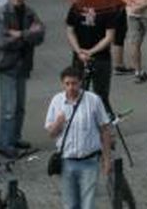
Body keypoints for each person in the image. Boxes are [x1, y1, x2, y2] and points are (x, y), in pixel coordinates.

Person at [45, 66, 114, 209]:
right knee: (70, 204)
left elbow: (105, 130)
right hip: (67, 161)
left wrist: (107, 159)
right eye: (67, 84)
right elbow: (51, 134)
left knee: (87, 204)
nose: (71, 87)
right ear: (62, 84)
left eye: (74, 83)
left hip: (89, 161)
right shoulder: (57, 101)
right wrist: (58, 123)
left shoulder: (93, 100)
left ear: (80, 83)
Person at [0, 0, 45, 158]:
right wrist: (28, 36)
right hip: (7, 65)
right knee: (9, 108)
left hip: (23, 65)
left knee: (20, 107)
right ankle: (4, 144)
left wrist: (20, 34)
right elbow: (1, 42)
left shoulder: (29, 12)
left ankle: (14, 138)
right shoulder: (1, 14)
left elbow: (40, 34)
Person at [65, 0, 120, 115]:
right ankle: (106, 121)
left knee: (77, 93)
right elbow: (109, 37)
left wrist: (79, 51)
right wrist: (91, 52)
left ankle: (76, 119)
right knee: (101, 95)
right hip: (101, 58)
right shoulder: (108, 8)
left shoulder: (77, 6)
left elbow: (70, 31)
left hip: (79, 58)